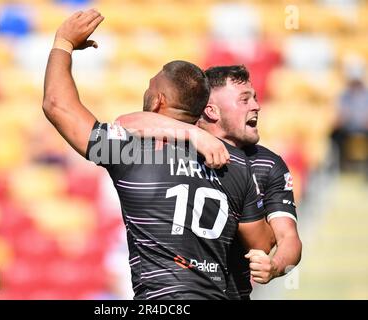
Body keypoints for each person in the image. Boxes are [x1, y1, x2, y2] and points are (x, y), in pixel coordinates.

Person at [43, 10, 274, 299]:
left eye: (149, 86)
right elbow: (261, 244)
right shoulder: (235, 163)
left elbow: (56, 105)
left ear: (158, 100)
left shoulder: (132, 152)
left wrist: (63, 43)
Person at [117, 65, 302, 299]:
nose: (256, 105)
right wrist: (192, 134)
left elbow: (289, 238)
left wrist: (275, 266)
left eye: (254, 98)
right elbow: (124, 123)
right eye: (244, 100)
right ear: (212, 111)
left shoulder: (268, 164)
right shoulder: (179, 144)